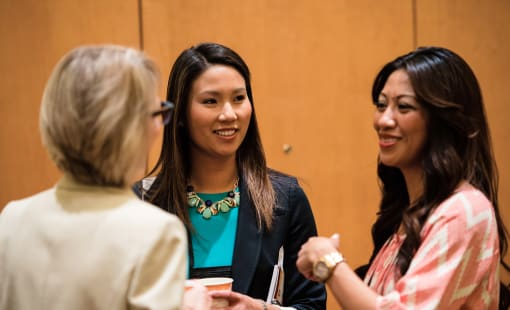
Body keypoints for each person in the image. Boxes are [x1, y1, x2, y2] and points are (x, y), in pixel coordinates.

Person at [296, 46, 510, 309]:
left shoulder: (464, 211)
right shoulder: (411, 214)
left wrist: (328, 263)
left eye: (404, 107)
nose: (383, 120)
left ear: (443, 120)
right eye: (382, 105)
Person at [0, 45, 211, 310]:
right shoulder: (154, 233)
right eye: (157, 114)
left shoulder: (12, 218)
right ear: (129, 128)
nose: (159, 127)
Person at [134, 42, 326, 309]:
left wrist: (260, 309)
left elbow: (312, 305)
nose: (229, 114)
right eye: (210, 101)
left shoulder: (285, 198)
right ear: (179, 114)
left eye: (239, 98)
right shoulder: (142, 202)